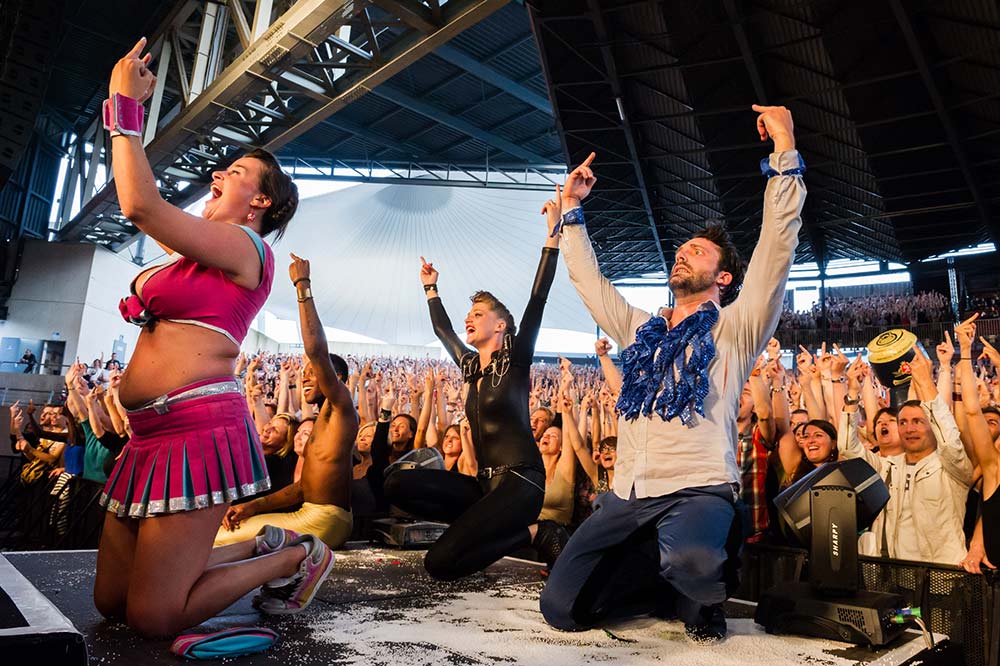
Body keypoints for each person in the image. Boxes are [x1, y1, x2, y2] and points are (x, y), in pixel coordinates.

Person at [91, 38, 333, 637]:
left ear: (261, 201)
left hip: (195, 432)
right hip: (147, 436)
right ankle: (263, 545)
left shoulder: (247, 248)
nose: (219, 173)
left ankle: (295, 558)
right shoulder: (193, 254)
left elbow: (140, 205)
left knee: (153, 617)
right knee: (111, 601)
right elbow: (140, 202)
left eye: (238, 172)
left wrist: (125, 107)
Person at [540, 105, 805, 642]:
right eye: (681, 251)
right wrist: (571, 210)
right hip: (628, 492)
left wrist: (784, 152)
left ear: (723, 277)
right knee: (561, 610)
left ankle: (702, 583)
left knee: (694, 563)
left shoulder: (737, 326)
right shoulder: (641, 329)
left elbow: (777, 248)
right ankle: (663, 580)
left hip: (697, 487)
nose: (682, 255)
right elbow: (591, 285)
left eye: (698, 252)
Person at [380, 186, 562, 581]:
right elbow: (443, 330)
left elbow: (538, 297)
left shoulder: (515, 357)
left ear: (501, 325)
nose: (469, 318)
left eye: (478, 313)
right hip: (484, 487)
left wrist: (553, 234)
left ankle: (537, 533)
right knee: (395, 483)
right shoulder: (470, 367)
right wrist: (431, 287)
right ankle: (476, 526)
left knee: (439, 563)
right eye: (470, 313)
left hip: (520, 482)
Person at [216, 254, 358, 570]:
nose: (304, 378)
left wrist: (302, 285)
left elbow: (316, 351)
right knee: (230, 530)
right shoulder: (322, 421)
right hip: (316, 514)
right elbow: (303, 488)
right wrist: (253, 507)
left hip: (323, 519)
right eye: (303, 374)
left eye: (312, 374)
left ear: (336, 379)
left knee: (218, 539)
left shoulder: (342, 406)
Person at [838, 346, 973, 564]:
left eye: (918, 421)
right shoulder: (887, 466)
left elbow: (949, 438)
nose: (909, 429)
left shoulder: (951, 466)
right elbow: (847, 448)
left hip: (941, 575)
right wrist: (853, 392)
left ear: (933, 425)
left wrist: (926, 381)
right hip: (895, 573)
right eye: (903, 422)